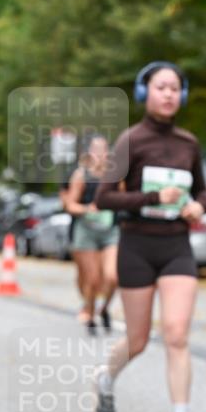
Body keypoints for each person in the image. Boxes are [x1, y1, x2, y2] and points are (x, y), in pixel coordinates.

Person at [93, 61, 206, 412]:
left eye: (175, 88)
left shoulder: (188, 143)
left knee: (176, 334)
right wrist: (151, 198)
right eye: (161, 87)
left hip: (176, 246)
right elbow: (104, 197)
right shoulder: (130, 140)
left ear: (183, 95)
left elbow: (204, 192)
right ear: (145, 93)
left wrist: (198, 206)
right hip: (137, 246)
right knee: (139, 339)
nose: (168, 94)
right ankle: (106, 376)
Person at [65, 135, 119, 334]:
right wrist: (88, 209)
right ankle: (89, 311)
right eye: (96, 149)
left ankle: (104, 309)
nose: (100, 154)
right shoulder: (81, 175)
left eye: (103, 149)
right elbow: (70, 205)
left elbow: (123, 198)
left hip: (110, 230)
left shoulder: (115, 175)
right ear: (89, 152)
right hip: (87, 230)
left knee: (112, 276)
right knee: (93, 279)